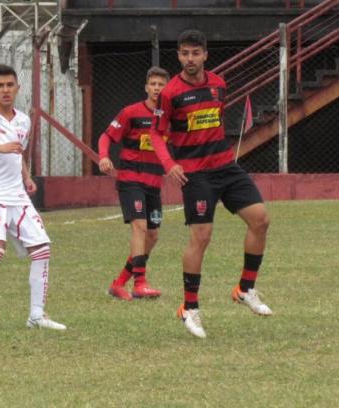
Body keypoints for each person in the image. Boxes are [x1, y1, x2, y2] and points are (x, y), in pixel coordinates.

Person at [149, 30, 272, 339]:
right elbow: (155, 134)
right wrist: (170, 163)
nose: (190, 59)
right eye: (184, 53)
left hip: (225, 167)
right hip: (196, 174)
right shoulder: (170, 92)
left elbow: (214, 121)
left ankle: (245, 289)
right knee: (201, 237)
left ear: (205, 55)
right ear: (178, 56)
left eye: (195, 53)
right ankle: (189, 308)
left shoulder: (218, 84)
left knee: (260, 220)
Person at [0, 64, 65, 331]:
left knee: (42, 250)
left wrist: (26, 176)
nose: (5, 90)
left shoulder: (23, 120)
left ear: (17, 88)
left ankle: (37, 316)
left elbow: (18, 153)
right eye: (0, 86)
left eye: (10, 85)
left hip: (17, 194)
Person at [98, 67, 170, 301]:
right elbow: (106, 136)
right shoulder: (131, 112)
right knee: (139, 227)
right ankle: (140, 283)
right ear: (146, 87)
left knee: (153, 235)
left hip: (154, 183)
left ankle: (119, 284)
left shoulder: (170, 118)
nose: (157, 88)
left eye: (161, 84)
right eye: (153, 84)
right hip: (131, 180)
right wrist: (104, 156)